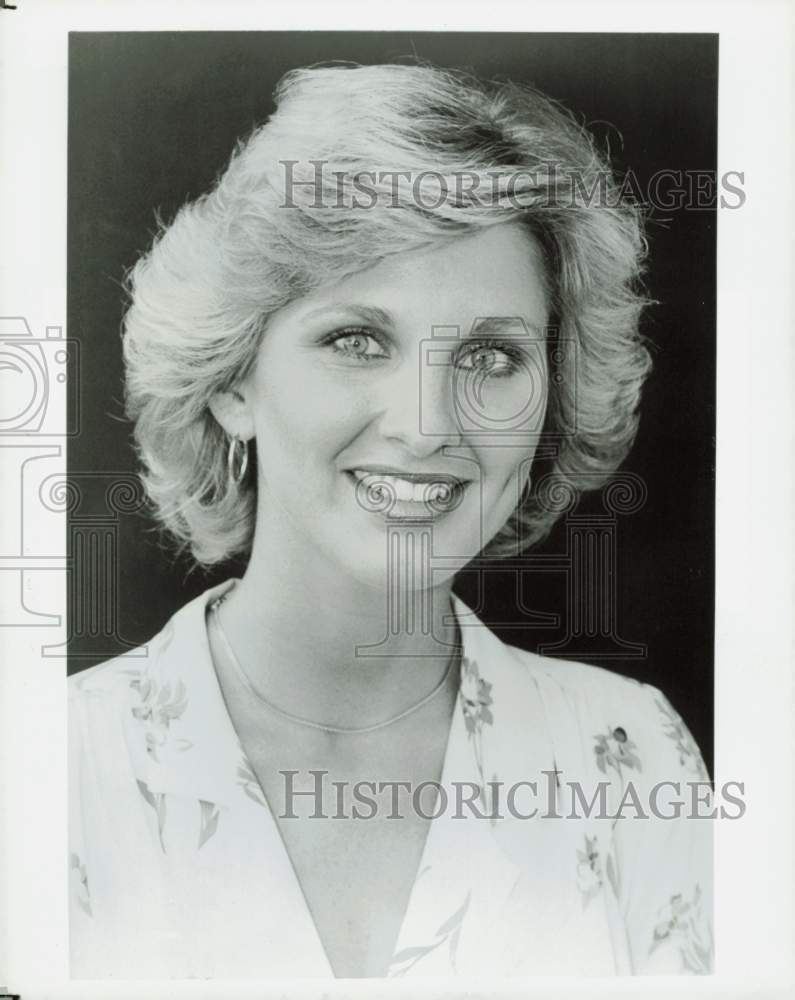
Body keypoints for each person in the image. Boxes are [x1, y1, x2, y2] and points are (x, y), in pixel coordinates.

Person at [68, 62, 713, 978]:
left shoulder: (631, 759)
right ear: (233, 382)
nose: (429, 423)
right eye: (357, 341)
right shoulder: (52, 769)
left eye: (491, 355)